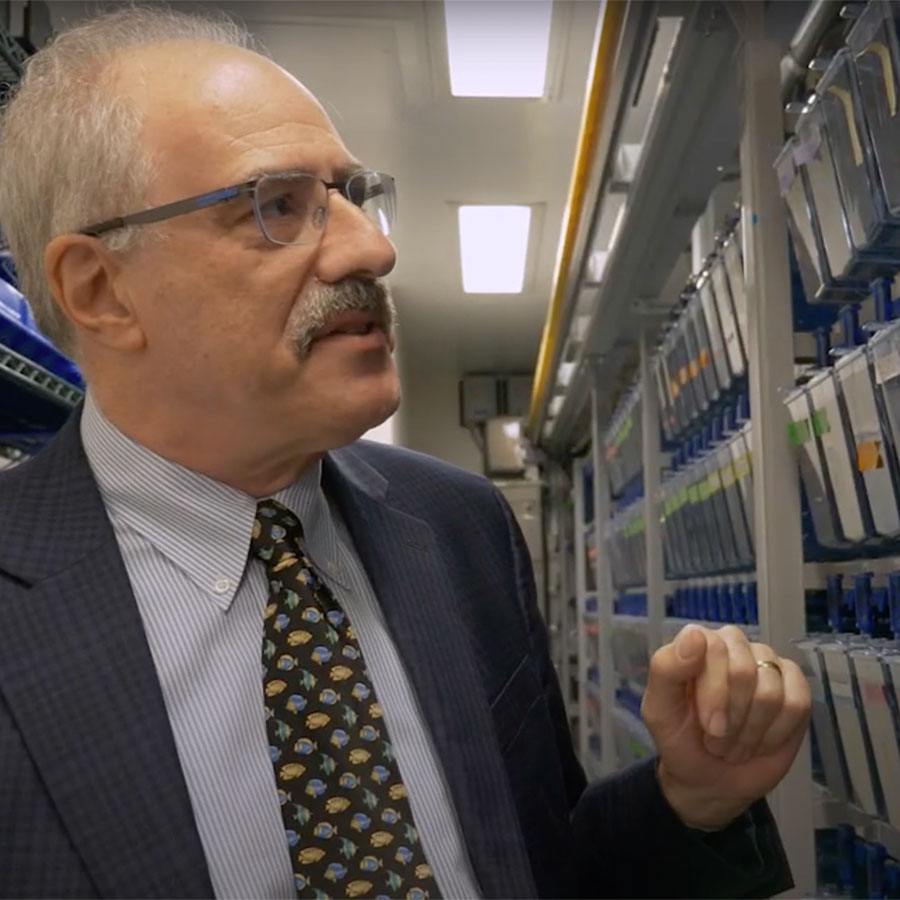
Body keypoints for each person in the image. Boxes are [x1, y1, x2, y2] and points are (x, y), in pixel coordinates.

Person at [0, 6, 810, 900]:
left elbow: (540, 860)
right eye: (276, 206)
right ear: (100, 288)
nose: (372, 248)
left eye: (352, 194)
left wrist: (688, 798)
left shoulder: (459, 527)